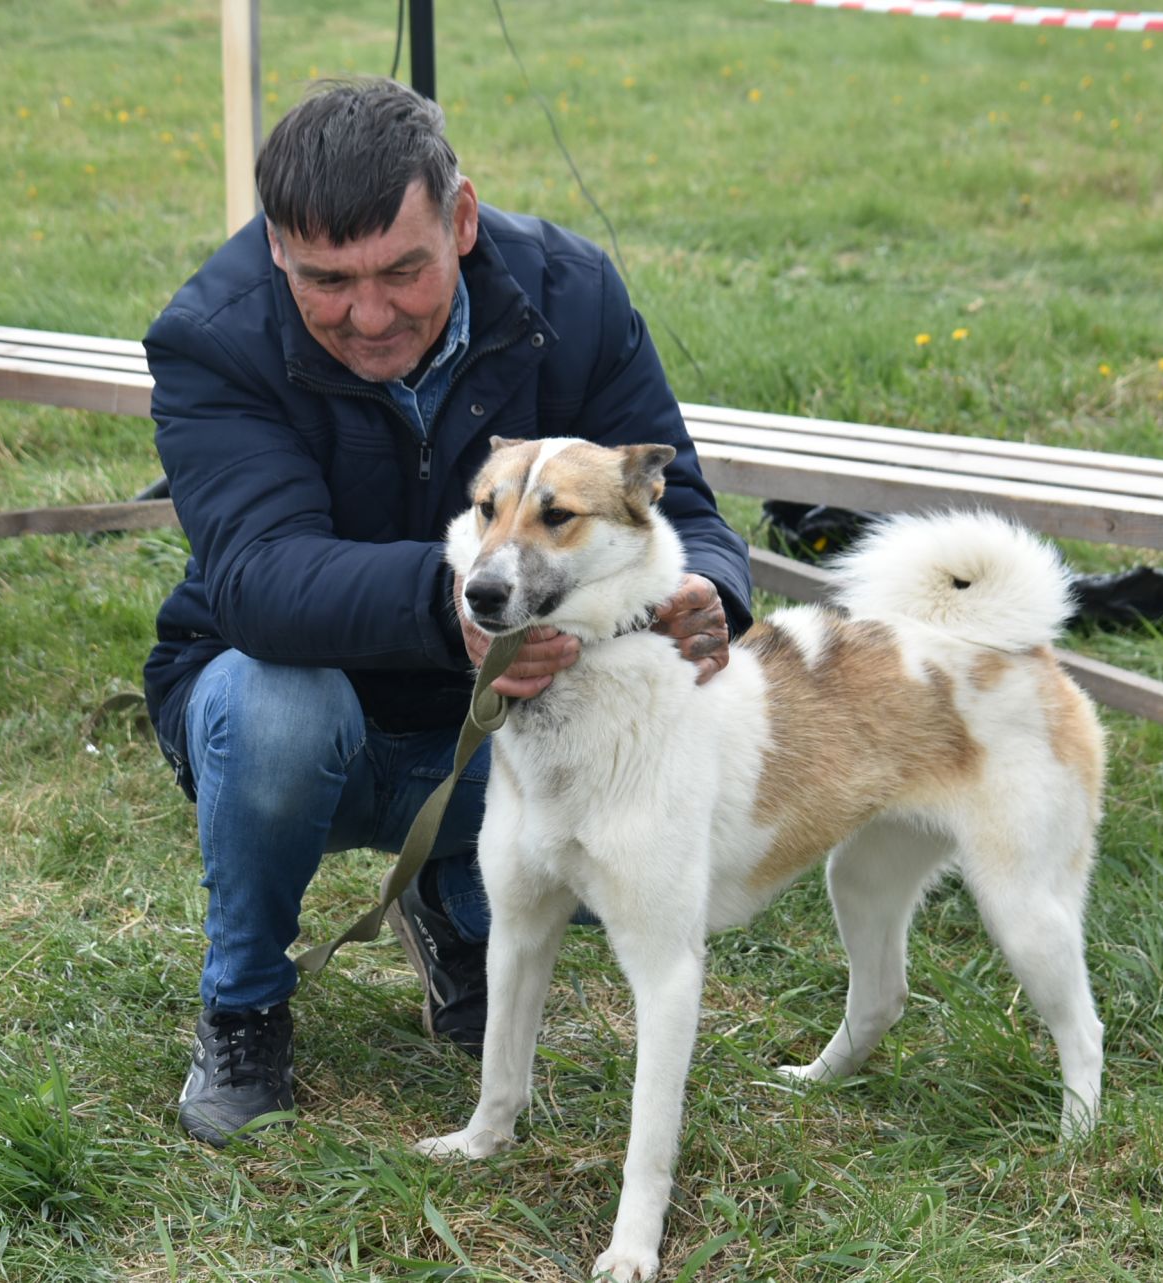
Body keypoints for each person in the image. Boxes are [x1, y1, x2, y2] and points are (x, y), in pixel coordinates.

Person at [143, 77, 754, 1148]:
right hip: (287, 701)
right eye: (325, 280)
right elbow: (259, 575)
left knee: (595, 704)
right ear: (276, 249)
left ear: (462, 219)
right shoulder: (210, 335)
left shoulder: (573, 294)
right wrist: (452, 614)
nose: (368, 315)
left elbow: (682, 502)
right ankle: (242, 1000)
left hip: (509, 715)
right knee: (277, 705)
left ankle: (455, 896)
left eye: (403, 270)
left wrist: (712, 585)